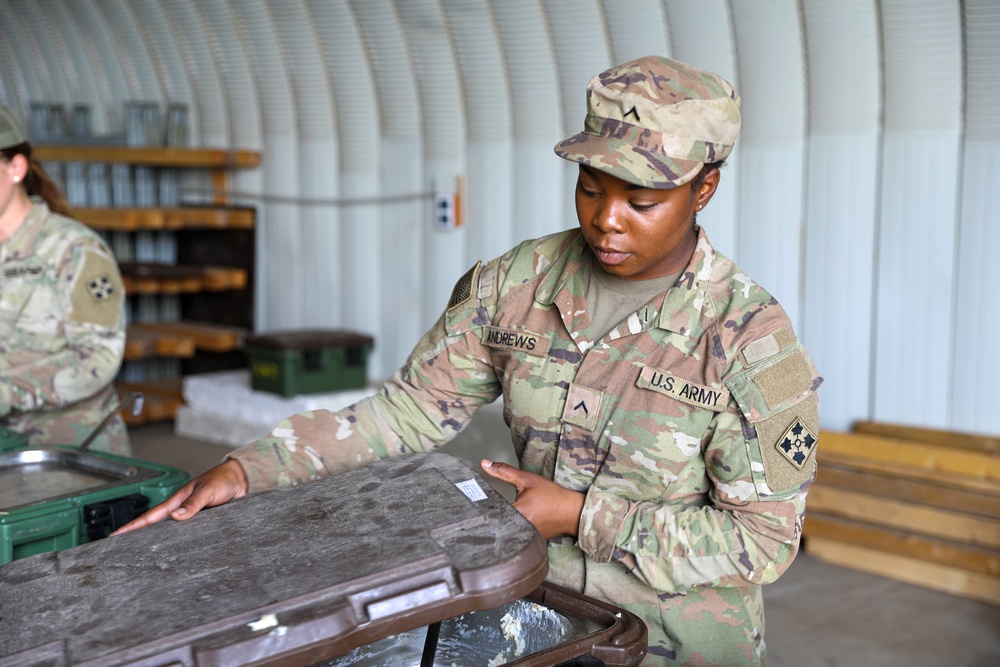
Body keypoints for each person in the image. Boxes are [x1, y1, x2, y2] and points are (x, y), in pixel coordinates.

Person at [114, 56, 822, 665]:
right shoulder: (518, 284)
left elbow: (759, 541)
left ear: (704, 188)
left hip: (673, 642)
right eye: (591, 187)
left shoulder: (747, 340)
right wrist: (254, 468)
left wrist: (581, 515)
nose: (607, 219)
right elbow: (407, 410)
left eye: (641, 200)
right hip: (537, 615)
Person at [0, 105, 131, 455]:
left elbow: (99, 356)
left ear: (16, 168)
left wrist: (6, 392)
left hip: (72, 449)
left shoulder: (75, 250)